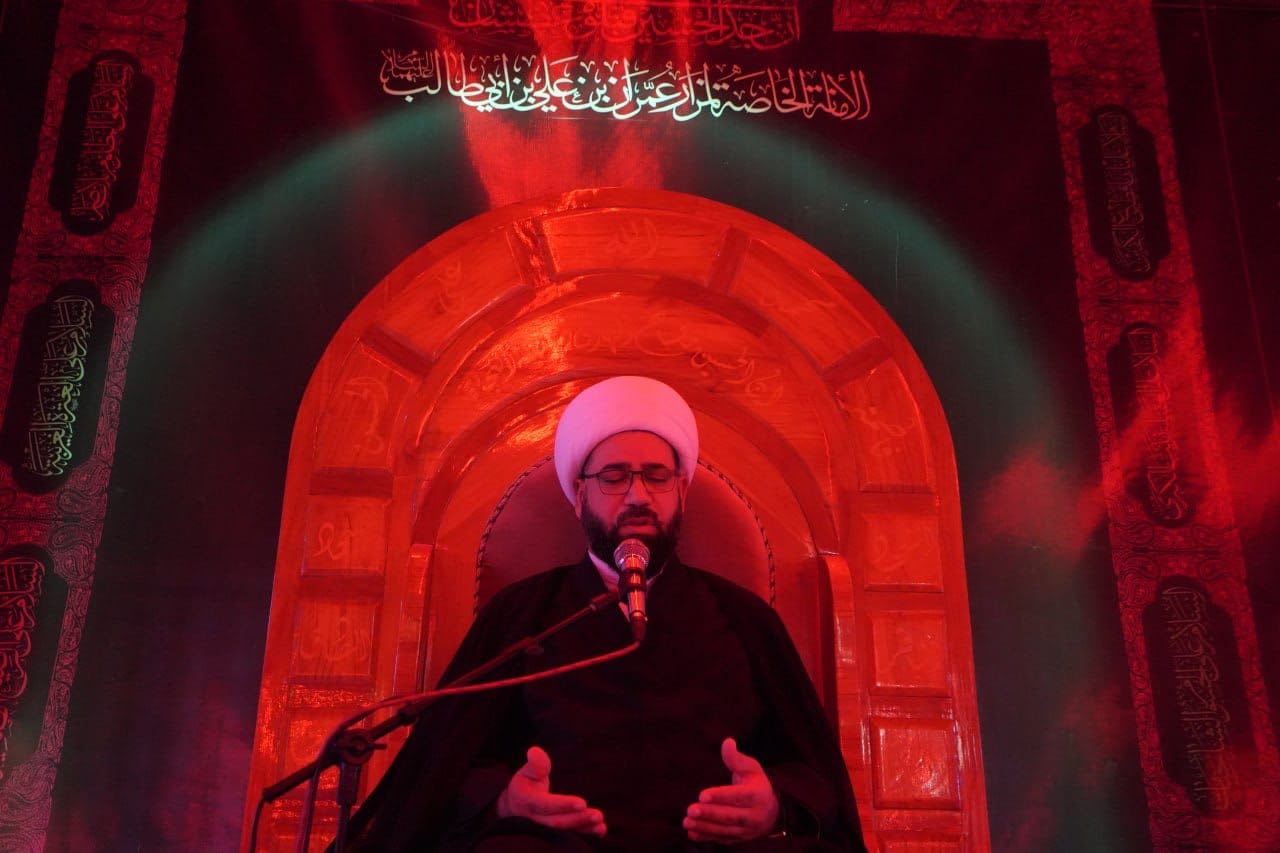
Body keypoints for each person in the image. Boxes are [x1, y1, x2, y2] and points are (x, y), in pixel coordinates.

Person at [345, 376, 866, 851]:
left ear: (682, 491)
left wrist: (773, 804)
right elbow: (444, 765)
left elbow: (815, 775)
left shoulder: (744, 619)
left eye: (657, 476)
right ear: (579, 494)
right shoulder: (524, 614)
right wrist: (505, 800)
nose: (638, 495)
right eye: (614, 477)